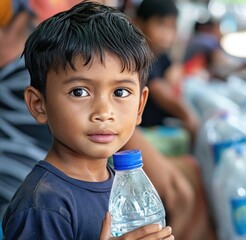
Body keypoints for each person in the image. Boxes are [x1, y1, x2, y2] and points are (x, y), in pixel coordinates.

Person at [2, 2, 174, 239]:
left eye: (120, 92)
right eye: (79, 92)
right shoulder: (43, 206)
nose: (104, 112)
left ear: (140, 106)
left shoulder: (120, 186)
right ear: (38, 104)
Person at [134, 0, 200, 145]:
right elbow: (160, 91)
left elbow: (175, 72)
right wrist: (188, 116)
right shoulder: (138, 58)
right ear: (139, 23)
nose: (167, 34)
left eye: (172, 27)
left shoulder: (160, 56)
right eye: (161, 24)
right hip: (140, 130)